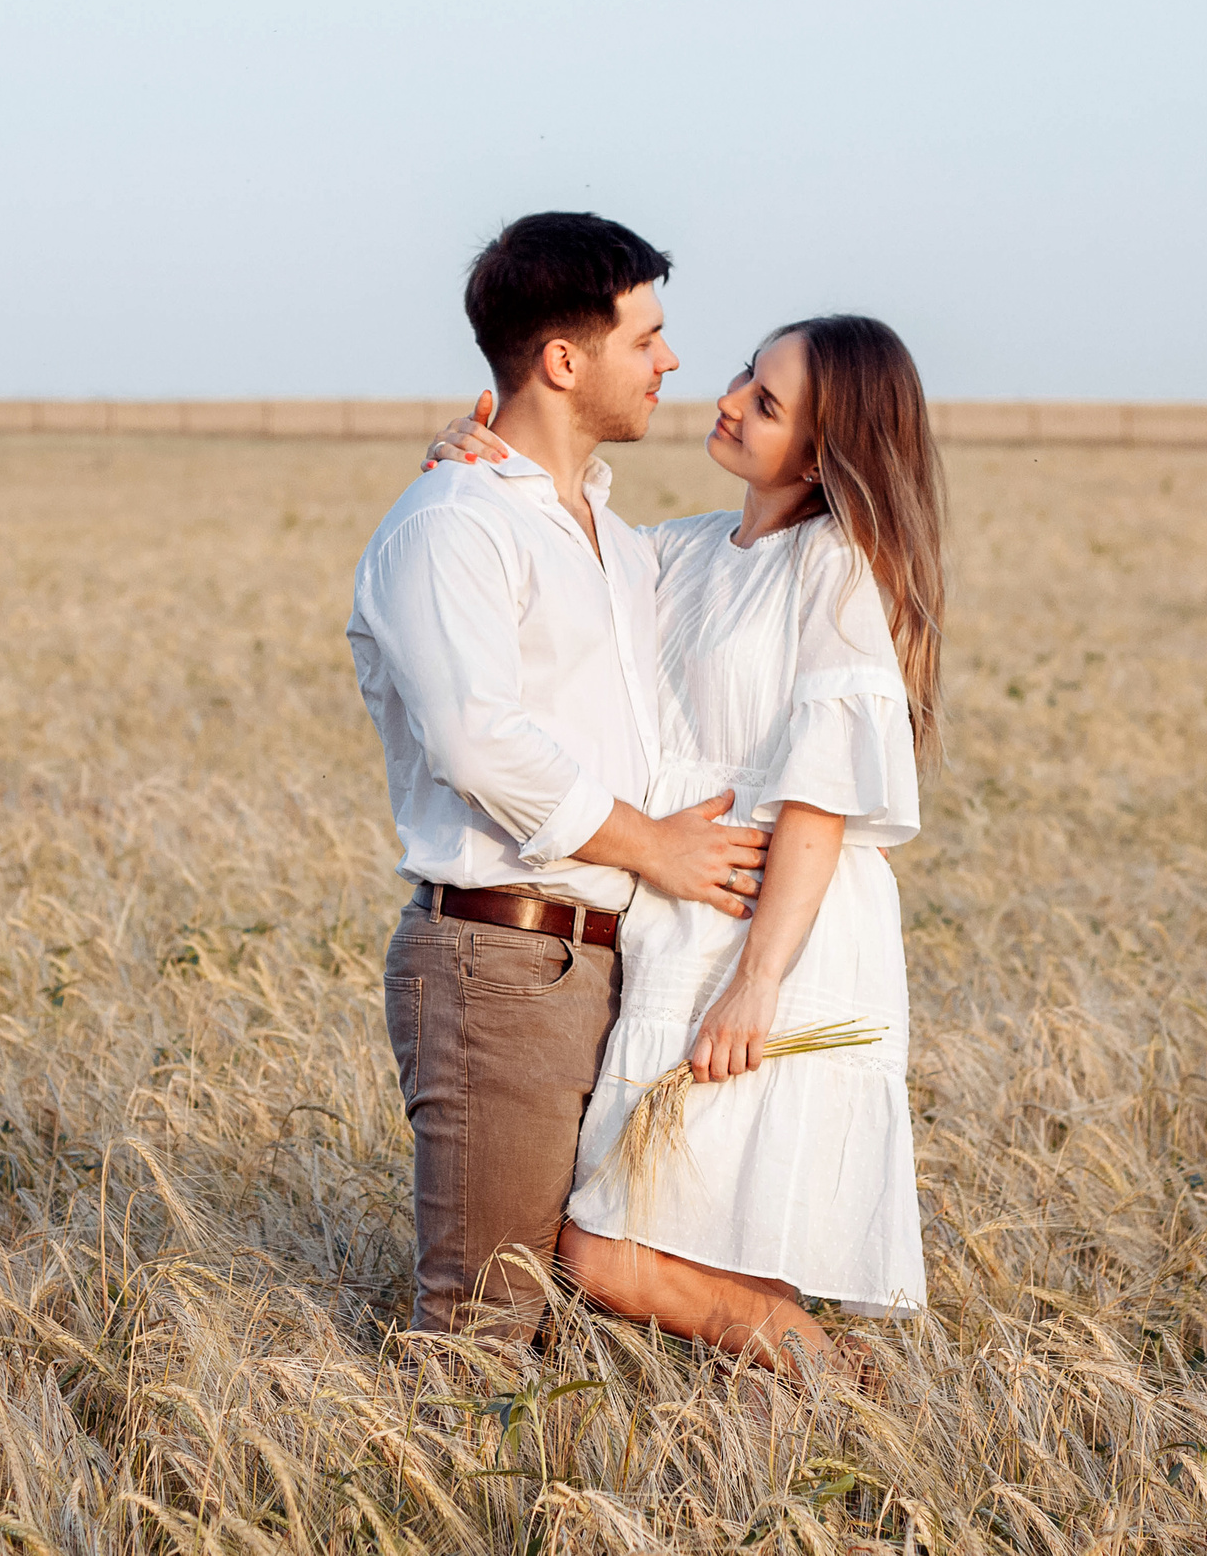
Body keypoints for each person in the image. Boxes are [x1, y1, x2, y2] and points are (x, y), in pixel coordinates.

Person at [421, 314, 943, 1374]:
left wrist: (758, 983)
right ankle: (801, 1426)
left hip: (773, 932)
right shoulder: (686, 550)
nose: (730, 398)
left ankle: (845, 1384)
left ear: (828, 445)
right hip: (679, 920)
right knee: (701, 1230)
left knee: (602, 1252)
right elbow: (564, 567)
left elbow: (821, 796)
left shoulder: (833, 566)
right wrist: (465, 464)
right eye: (748, 373)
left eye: (769, 402)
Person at [345, 212, 773, 1341]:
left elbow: (770, 550)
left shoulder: (622, 545)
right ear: (564, 360)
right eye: (648, 337)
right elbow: (477, 741)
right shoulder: (452, 524)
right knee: (486, 1323)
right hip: (498, 963)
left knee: (589, 1303)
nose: (671, 362)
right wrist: (658, 848)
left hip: (607, 963)